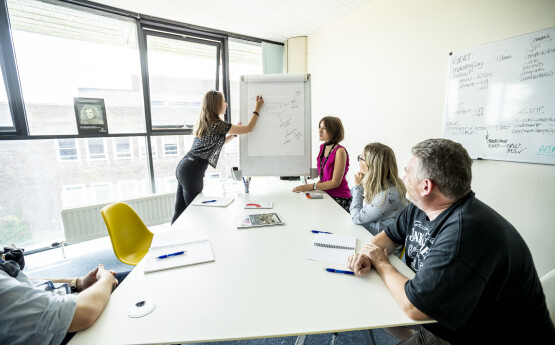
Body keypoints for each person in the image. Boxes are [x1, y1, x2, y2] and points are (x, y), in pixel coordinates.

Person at [347, 138, 555, 344]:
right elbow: (390, 237)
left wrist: (381, 263)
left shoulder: (464, 235)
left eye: (407, 172)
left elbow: (414, 307)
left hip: (477, 332)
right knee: (381, 308)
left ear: (426, 186)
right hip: (448, 311)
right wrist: (366, 255)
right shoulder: (420, 207)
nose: (403, 176)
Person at [171, 90, 264, 224]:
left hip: (184, 167)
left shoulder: (205, 121)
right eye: (223, 101)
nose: (226, 104)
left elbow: (218, 143)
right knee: (197, 212)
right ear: (216, 105)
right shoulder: (218, 124)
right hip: (192, 170)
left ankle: (172, 241)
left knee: (180, 211)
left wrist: (233, 133)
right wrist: (257, 108)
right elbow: (249, 128)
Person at [0, 258, 128, 345]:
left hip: (67, 300)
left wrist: (78, 282)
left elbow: (25, 281)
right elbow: (83, 313)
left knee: (134, 278)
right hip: (62, 332)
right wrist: (106, 279)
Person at [292, 116, 352, 212]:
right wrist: (309, 187)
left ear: (334, 130)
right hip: (325, 193)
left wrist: (311, 186)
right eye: (319, 127)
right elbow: (324, 176)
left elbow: (335, 183)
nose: (320, 131)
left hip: (340, 197)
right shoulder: (322, 147)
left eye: (324, 128)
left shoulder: (340, 151)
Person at [350, 142, 408, 236]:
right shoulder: (384, 185)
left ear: (372, 165)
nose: (359, 161)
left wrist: (358, 187)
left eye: (361, 158)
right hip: (373, 238)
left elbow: (356, 218)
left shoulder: (388, 195)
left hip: (383, 248)